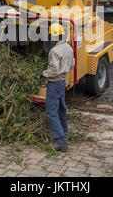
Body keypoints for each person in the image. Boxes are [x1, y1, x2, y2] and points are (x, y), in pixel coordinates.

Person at [42, 23, 75, 152]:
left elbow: (54, 71)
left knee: (51, 113)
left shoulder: (54, 51)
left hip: (54, 83)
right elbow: (72, 65)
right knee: (61, 108)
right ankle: (64, 130)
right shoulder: (69, 48)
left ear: (54, 36)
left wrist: (43, 73)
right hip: (62, 82)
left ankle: (61, 141)